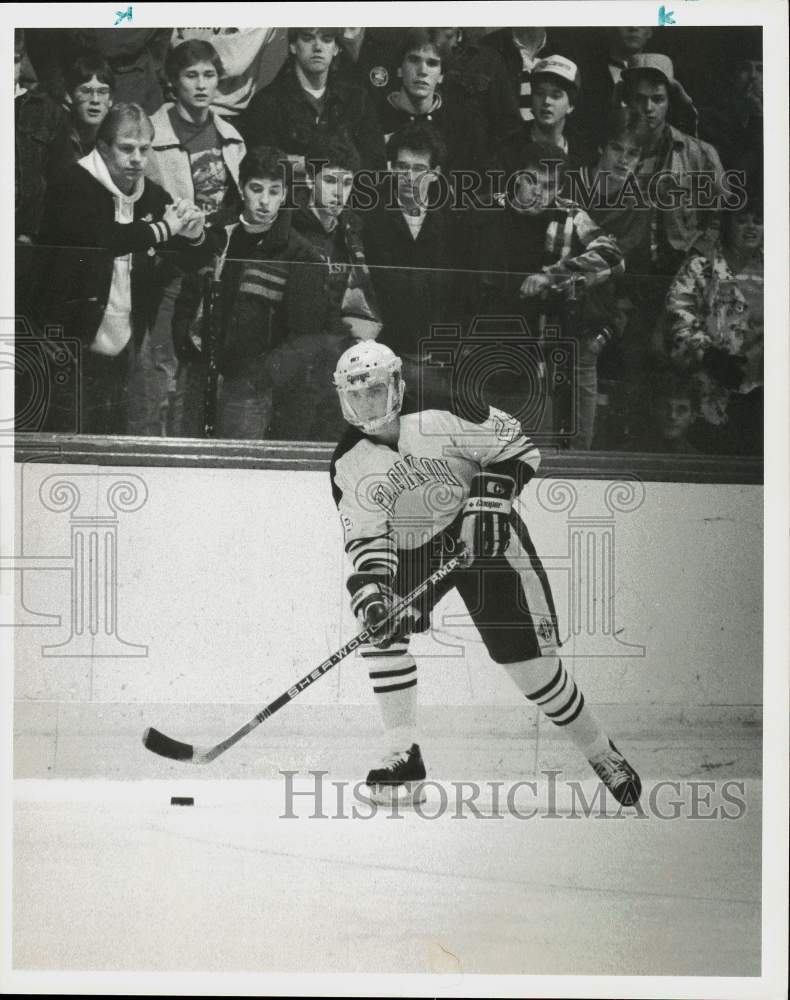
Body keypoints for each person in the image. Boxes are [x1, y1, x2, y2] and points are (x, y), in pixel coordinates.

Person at [329, 339, 642, 807]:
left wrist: (485, 503)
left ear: (396, 384)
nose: (366, 404)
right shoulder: (347, 463)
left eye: (374, 391)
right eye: (356, 396)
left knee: (532, 670)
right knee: (380, 627)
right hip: (414, 546)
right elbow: (369, 541)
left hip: (484, 532)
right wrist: (375, 594)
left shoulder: (446, 404)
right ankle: (403, 755)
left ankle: (601, 753)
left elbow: (520, 450)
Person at [32, 103, 208, 435]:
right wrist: (163, 229)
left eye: (144, 149)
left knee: (113, 441)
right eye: (127, 149)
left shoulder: (150, 195)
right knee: (68, 443)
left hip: (124, 343)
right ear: (102, 147)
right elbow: (104, 239)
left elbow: (190, 258)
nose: (138, 158)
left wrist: (194, 231)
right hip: (66, 342)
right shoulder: (72, 183)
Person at [170, 146, 324, 440]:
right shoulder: (214, 230)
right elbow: (188, 293)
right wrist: (184, 344)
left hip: (248, 387)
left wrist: (263, 377)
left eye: (274, 191)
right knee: (187, 464)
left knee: (236, 473)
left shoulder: (300, 254)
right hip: (199, 373)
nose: (265, 201)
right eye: (256, 189)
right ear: (241, 189)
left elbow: (304, 335)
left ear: (284, 194)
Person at [480, 141, 624, 449]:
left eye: (549, 186)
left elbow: (613, 256)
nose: (539, 194)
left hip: (547, 347)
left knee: (547, 449)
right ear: (517, 177)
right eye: (532, 182)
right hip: (494, 345)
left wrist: (553, 276)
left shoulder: (570, 215)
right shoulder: (488, 212)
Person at [144, 38, 246, 435]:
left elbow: (236, 201)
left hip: (214, 265)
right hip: (169, 267)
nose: (202, 85)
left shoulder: (231, 137)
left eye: (209, 75)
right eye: (191, 75)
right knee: (160, 366)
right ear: (174, 81)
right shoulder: (152, 135)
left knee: (201, 371)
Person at [664, 187, 763, 455]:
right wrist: (709, 356)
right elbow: (678, 317)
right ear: (727, 225)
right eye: (742, 221)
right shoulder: (698, 266)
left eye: (758, 221)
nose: (751, 228)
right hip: (706, 393)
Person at [239, 28, 385, 174]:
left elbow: (375, 164)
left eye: (327, 39)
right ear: (293, 46)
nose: (318, 47)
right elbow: (261, 164)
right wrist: (324, 165)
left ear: (336, 48)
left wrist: (301, 163)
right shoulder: (266, 103)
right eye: (308, 38)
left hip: (346, 194)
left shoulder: (357, 99)